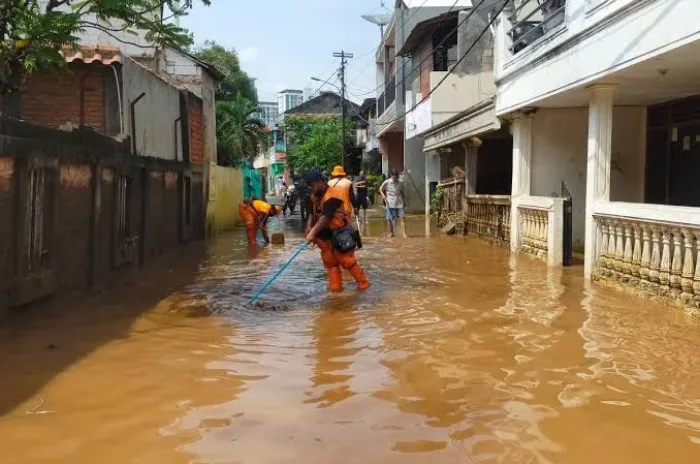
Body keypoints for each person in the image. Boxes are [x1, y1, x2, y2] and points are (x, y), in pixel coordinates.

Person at [305, 169, 370, 293]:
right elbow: (310, 212)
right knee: (331, 264)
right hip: (324, 238)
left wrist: (312, 233)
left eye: (311, 185)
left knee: (348, 262)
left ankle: (364, 286)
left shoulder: (333, 194)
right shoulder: (314, 195)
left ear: (319, 182)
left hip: (339, 234)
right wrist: (308, 227)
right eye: (308, 186)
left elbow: (326, 216)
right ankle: (336, 292)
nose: (310, 189)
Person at [379, 169, 407, 238]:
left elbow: (402, 192)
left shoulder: (401, 182)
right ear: (391, 176)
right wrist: (383, 196)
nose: (395, 179)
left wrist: (404, 201)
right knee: (390, 219)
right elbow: (380, 189)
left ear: (398, 176)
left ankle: (404, 233)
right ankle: (391, 233)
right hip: (390, 203)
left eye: (396, 177)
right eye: (394, 177)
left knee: (402, 218)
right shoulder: (387, 182)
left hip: (399, 203)